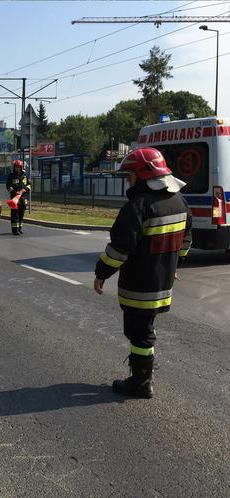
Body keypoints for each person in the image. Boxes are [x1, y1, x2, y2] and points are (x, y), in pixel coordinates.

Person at [94, 147, 191, 399]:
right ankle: (143, 374)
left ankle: (139, 382)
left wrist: (101, 273)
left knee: (138, 333)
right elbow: (186, 239)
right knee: (146, 329)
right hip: (163, 284)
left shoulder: (137, 207)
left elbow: (119, 249)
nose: (128, 180)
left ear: (142, 175)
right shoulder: (180, 201)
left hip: (139, 287)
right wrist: (176, 265)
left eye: (130, 175)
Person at [6, 160, 31, 235]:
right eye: (16, 167)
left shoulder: (25, 176)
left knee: (21, 214)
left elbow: (29, 185)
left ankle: (20, 228)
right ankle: (15, 230)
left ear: (21, 167)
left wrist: (24, 190)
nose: (17, 168)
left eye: (18, 167)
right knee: (14, 215)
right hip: (15, 199)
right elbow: (8, 186)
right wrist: (14, 192)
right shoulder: (11, 176)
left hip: (23, 198)